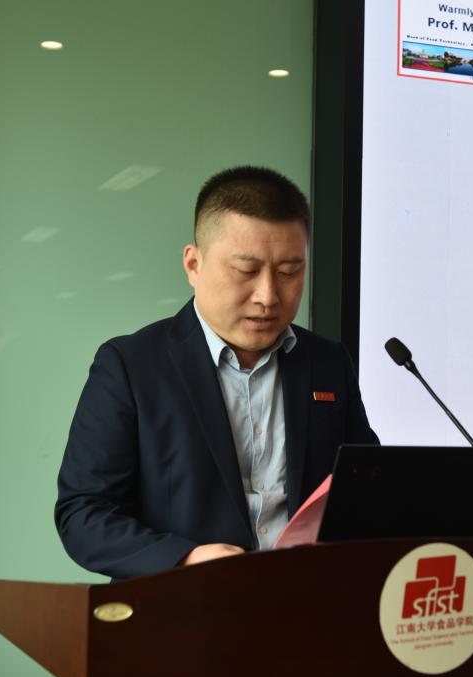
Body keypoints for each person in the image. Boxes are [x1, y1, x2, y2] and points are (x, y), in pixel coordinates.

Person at [55, 166, 378, 579]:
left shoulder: (328, 363)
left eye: (289, 272)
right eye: (245, 271)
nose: (268, 296)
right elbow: (83, 514)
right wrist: (185, 559)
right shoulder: (131, 366)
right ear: (194, 264)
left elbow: (363, 490)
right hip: (183, 604)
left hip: (307, 602)